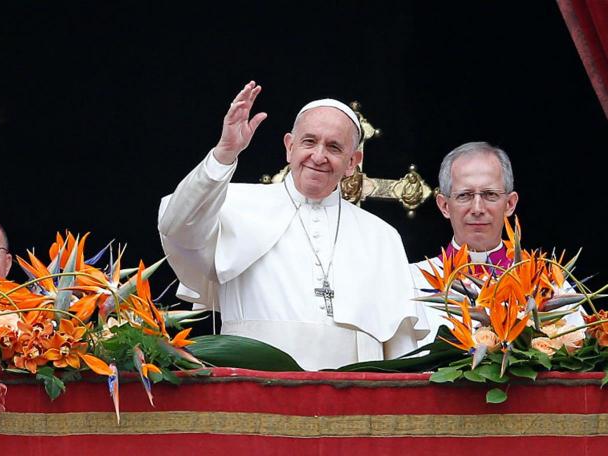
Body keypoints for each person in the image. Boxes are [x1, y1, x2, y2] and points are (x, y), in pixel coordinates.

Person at [158, 81, 428, 370]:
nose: (319, 156)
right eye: (309, 142)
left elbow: (401, 349)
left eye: (334, 147)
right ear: (289, 146)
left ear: (353, 162)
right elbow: (176, 226)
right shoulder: (234, 205)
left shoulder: (382, 237)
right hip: (255, 394)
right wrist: (224, 153)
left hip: (354, 406)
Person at [411, 142, 584, 343]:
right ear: (444, 206)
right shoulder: (412, 282)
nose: (477, 208)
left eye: (490, 195)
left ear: (510, 204)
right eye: (464, 195)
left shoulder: (549, 285)